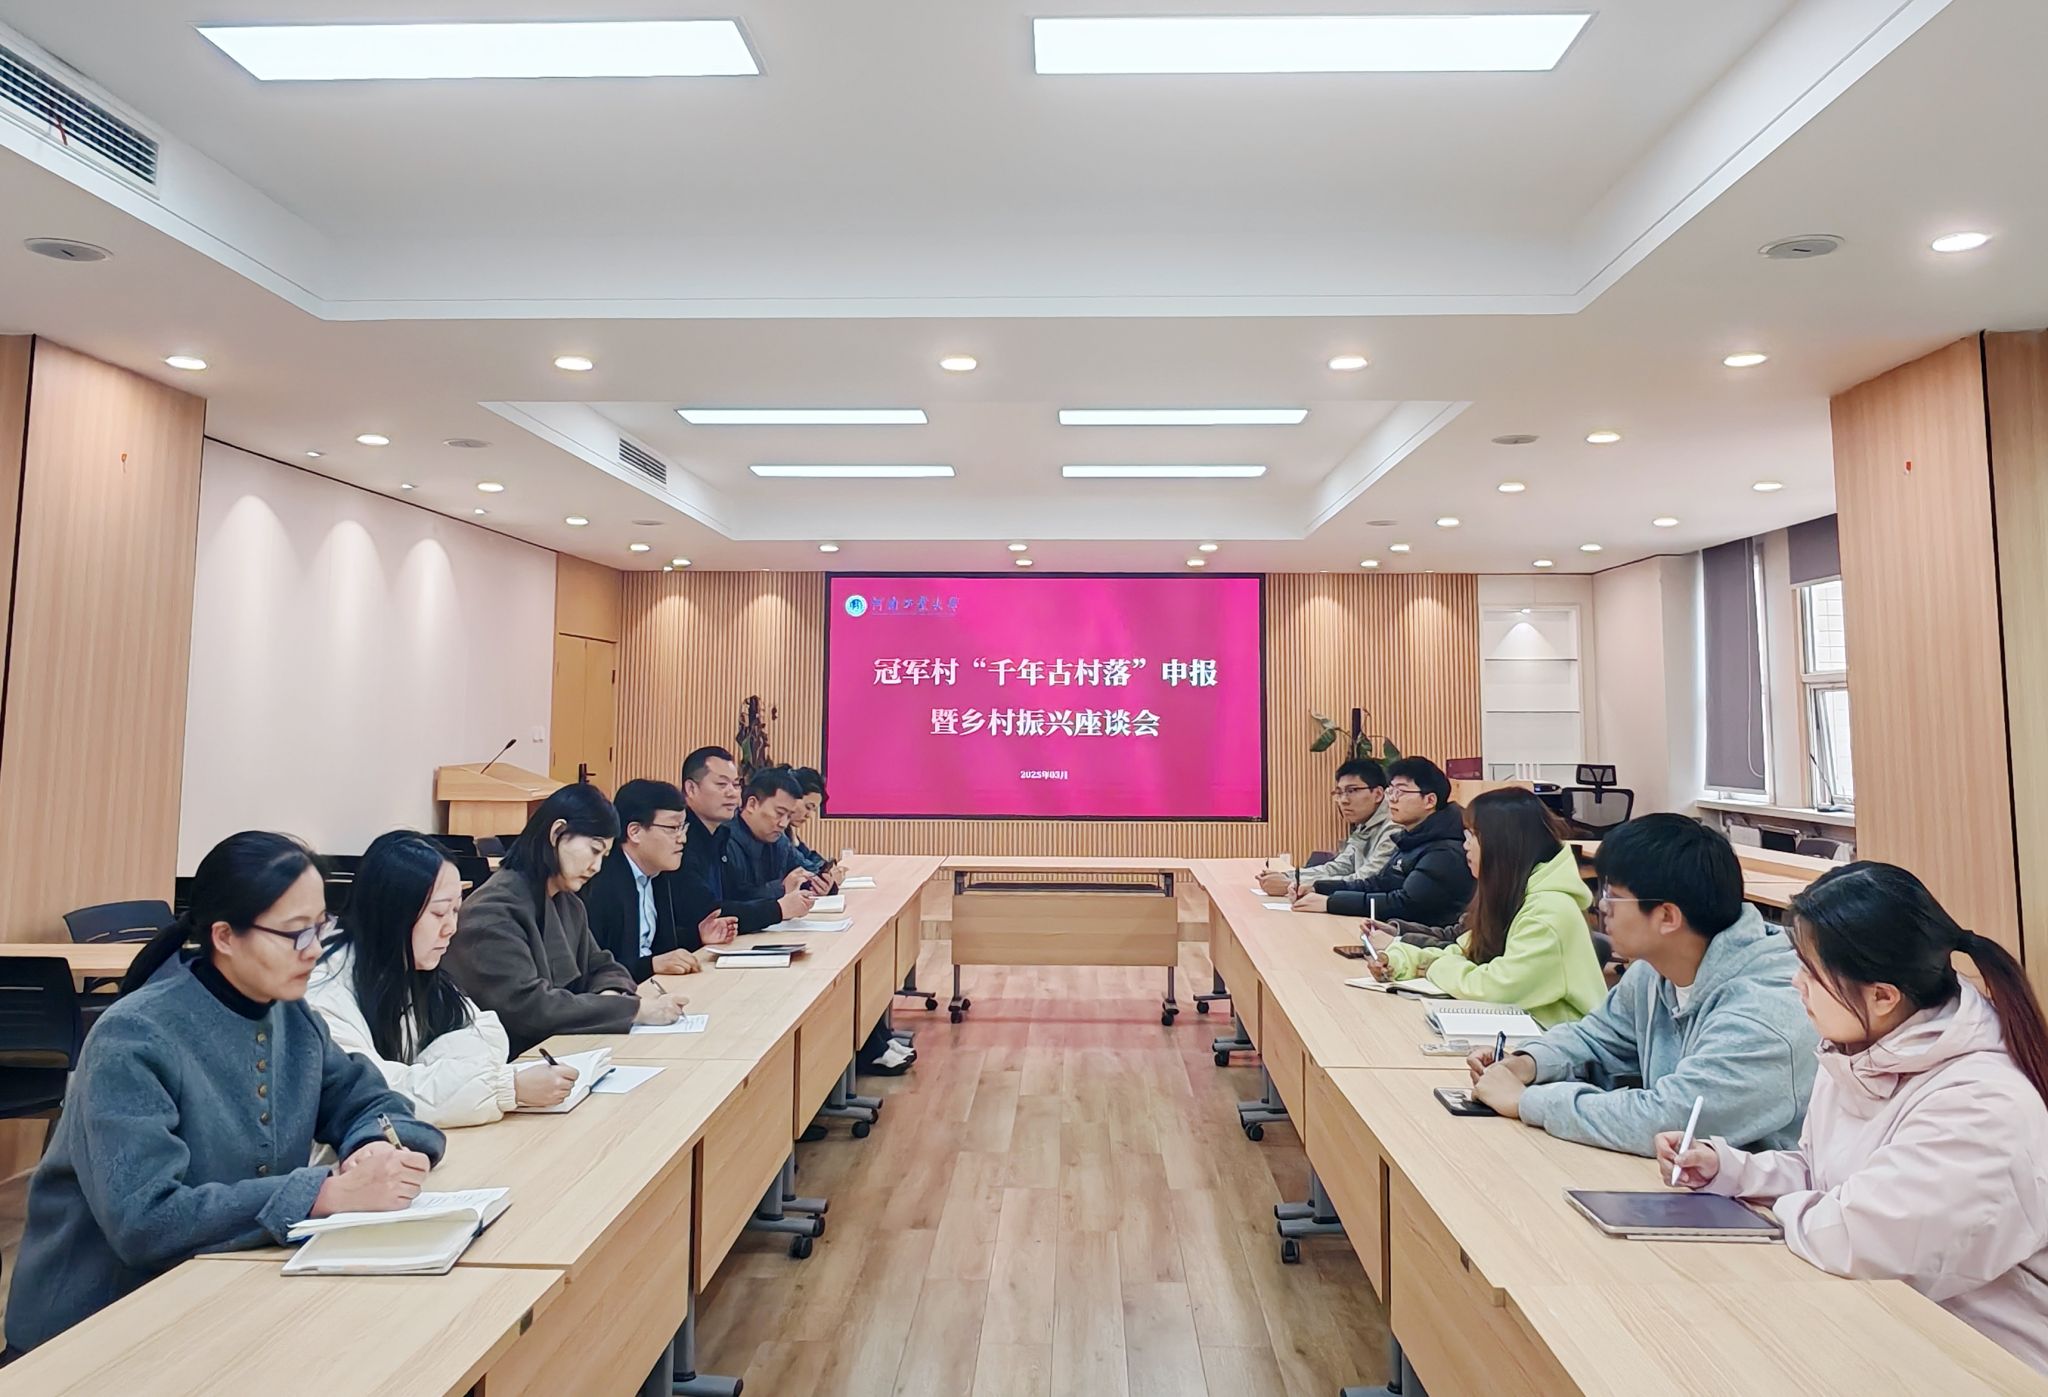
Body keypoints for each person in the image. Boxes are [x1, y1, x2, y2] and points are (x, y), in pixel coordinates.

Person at [3, 832, 445, 1355]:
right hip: (98, 1328)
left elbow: (370, 1101)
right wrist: (323, 1194)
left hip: (227, 1294)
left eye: (321, 926)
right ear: (225, 937)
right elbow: (145, 1222)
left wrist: (372, 1146)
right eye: (294, 933)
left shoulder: (292, 1017)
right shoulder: (134, 1038)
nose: (314, 950)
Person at [1662, 863, 2048, 1375]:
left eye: (1812, 972)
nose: (1796, 984)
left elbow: (1860, 1241)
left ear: (1883, 996)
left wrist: (1786, 1212)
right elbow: (1825, 1176)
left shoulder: (1984, 1104)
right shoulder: (1862, 1049)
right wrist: (1731, 1170)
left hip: (1983, 1363)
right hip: (1882, 1330)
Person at [1465, 814, 1816, 1154]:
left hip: (1751, 1190)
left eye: (1614, 895)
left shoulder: (1765, 1012)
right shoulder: (1655, 968)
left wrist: (1526, 1101)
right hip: (1678, 1177)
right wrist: (1526, 1063)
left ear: (1667, 917)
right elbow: (1596, 1038)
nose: (1601, 906)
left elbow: (1670, 1119)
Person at [306, 831, 579, 1126]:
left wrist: (428, 1073)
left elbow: (486, 1033)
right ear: (393, 912)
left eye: (456, 910)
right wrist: (505, 1087)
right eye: (438, 913)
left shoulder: (413, 967)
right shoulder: (324, 990)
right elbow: (375, 1093)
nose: (451, 927)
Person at [443, 784, 686, 1055]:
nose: (596, 867)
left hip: (558, 1048)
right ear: (557, 832)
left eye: (604, 856)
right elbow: (530, 1008)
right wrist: (633, 1009)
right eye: (594, 850)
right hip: (511, 1061)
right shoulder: (492, 911)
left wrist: (609, 997)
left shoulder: (567, 901)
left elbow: (604, 966)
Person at [1359, 786, 1603, 1028]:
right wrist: (1403, 960)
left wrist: (1434, 967)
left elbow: (1499, 989)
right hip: (1525, 1034)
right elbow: (1466, 951)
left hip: (1560, 1043)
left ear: (1503, 844)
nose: (1465, 845)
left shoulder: (1549, 911)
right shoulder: (1514, 895)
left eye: (1473, 835)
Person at [1289, 757, 1473, 926]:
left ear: (1429, 800)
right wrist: (1319, 888)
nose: (1391, 799)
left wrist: (1331, 902)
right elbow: (1377, 883)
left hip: (1423, 942)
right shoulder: (1412, 838)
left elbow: (1404, 903)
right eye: (1390, 790)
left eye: (1400, 791)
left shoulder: (1444, 850)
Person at [580, 778, 728, 978]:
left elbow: (656, 947)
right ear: (635, 832)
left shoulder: (658, 874)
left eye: (683, 828)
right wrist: (650, 966)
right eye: (672, 828)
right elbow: (593, 969)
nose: (682, 839)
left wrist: (698, 936)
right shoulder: (601, 883)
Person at [677, 746, 817, 936]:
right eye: (721, 784)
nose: (732, 793)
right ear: (691, 789)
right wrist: (778, 909)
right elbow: (708, 912)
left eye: (736, 784)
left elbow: (735, 897)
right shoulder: (681, 840)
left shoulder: (718, 836)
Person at [1257, 758, 1395, 896]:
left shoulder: (1393, 829)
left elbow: (1365, 881)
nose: (1343, 801)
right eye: (1339, 793)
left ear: (1378, 794)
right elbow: (1340, 867)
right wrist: (1288, 876)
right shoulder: (1366, 823)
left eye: (1352, 791)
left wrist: (1295, 884)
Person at [726, 767, 827, 904]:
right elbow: (730, 903)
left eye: (789, 816)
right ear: (752, 804)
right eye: (779, 813)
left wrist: (821, 884)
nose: (783, 824)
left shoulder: (779, 840)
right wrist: (781, 889)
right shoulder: (724, 841)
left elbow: (804, 871)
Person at [786, 766, 840, 885]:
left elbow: (808, 855)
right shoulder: (776, 832)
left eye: (813, 810)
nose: (809, 815)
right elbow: (802, 866)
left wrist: (827, 869)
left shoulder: (789, 831)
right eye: (808, 807)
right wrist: (828, 876)